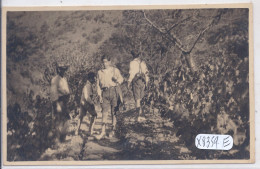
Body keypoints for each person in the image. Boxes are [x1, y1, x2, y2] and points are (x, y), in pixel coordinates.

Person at [95, 55, 124, 140]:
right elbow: (98, 85)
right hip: (104, 92)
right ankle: (103, 132)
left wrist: (117, 80)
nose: (105, 63)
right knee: (104, 112)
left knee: (114, 112)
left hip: (114, 91)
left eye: (106, 61)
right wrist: (99, 95)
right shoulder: (100, 72)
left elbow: (121, 79)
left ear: (109, 62)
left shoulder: (115, 70)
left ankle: (113, 130)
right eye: (103, 62)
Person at [50, 62, 70, 143]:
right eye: (61, 69)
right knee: (58, 120)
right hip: (59, 101)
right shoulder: (55, 79)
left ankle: (62, 138)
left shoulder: (64, 79)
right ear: (58, 69)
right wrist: (56, 104)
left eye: (64, 69)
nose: (63, 71)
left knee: (66, 119)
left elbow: (66, 91)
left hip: (64, 101)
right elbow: (53, 93)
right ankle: (57, 139)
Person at [128, 50, 149, 122]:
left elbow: (132, 73)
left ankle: (138, 116)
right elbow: (146, 73)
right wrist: (147, 82)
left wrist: (129, 81)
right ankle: (142, 114)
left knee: (137, 99)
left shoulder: (132, 63)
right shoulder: (143, 63)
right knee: (142, 98)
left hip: (136, 80)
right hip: (143, 81)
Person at [75, 72, 97, 136]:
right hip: (86, 103)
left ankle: (77, 130)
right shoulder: (88, 86)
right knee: (94, 115)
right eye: (93, 78)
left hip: (82, 102)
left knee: (81, 117)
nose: (94, 80)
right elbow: (87, 97)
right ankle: (90, 131)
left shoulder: (87, 85)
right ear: (90, 78)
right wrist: (92, 104)